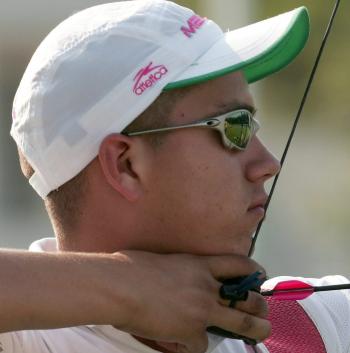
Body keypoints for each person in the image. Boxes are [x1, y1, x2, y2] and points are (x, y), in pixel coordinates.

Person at [3, 1, 350, 353]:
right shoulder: (23, 343)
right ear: (126, 165)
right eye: (235, 126)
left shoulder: (315, 324)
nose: (267, 163)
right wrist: (131, 292)